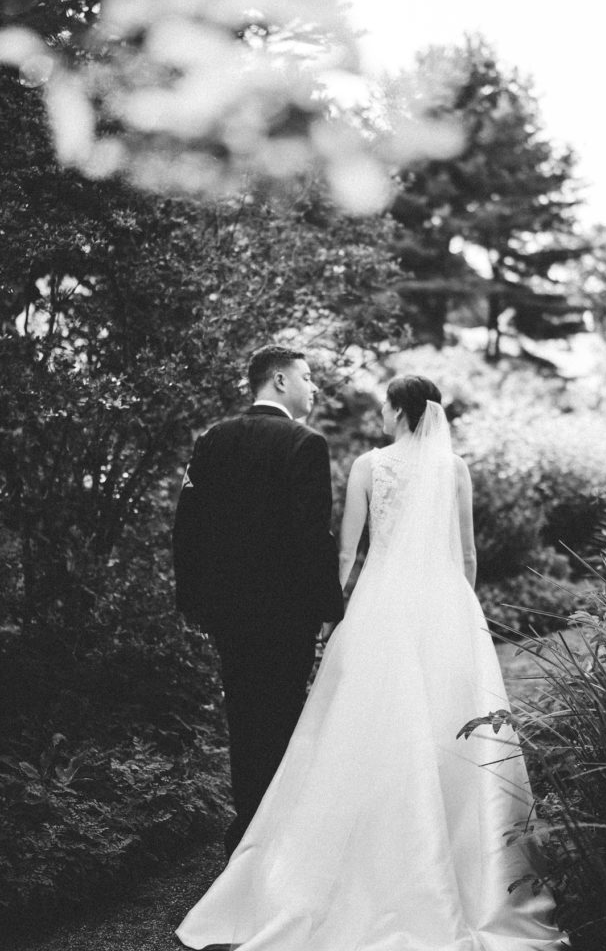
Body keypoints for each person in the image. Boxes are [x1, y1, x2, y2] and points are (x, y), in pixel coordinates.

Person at [175, 375, 565, 951]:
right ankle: (462, 867)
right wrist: (462, 606)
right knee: (451, 728)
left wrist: (331, 615)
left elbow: (344, 551)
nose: (380, 413)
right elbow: (468, 553)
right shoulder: (454, 468)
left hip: (382, 604)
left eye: (385, 404)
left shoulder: (368, 466)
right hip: (446, 606)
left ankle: (343, 855)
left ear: (400, 409)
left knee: (357, 727)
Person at [172, 345, 344, 861]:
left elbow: (188, 525)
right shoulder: (305, 443)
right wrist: (329, 609)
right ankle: (275, 836)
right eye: (308, 377)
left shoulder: (214, 439)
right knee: (285, 716)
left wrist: (194, 602)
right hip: (287, 614)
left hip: (228, 611)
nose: (314, 388)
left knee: (242, 717)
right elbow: (312, 535)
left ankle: (245, 831)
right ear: (278, 379)